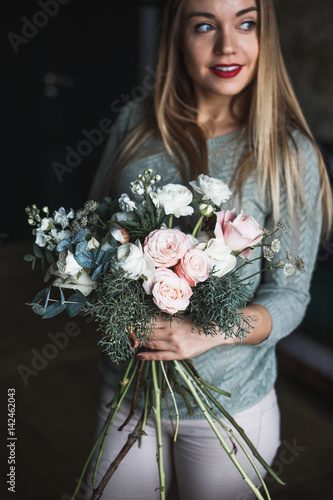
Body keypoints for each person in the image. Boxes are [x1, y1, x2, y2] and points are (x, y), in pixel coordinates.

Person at [87, 0, 332, 499]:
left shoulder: (286, 153)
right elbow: (92, 235)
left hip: (227, 407)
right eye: (205, 26)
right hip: (127, 394)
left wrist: (207, 331)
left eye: (246, 23)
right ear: (177, 36)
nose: (227, 45)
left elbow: (289, 297)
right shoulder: (136, 121)